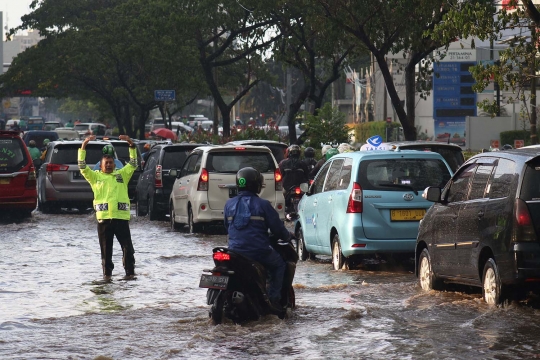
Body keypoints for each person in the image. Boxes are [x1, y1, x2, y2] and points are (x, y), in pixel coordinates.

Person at [224, 167, 293, 309]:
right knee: (279, 265)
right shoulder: (263, 205)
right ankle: (274, 301)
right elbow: (277, 228)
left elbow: (227, 227)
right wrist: (288, 236)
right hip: (258, 251)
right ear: (257, 185)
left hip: (234, 252)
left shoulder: (228, 204)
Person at [78, 134, 138, 280]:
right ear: (101, 165)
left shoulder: (122, 175)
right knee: (106, 253)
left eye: (111, 162)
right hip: (104, 221)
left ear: (114, 163)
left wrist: (130, 143)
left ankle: (130, 276)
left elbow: (134, 163)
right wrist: (84, 144)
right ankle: (107, 277)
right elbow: (82, 166)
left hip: (121, 219)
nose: (109, 164)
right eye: (107, 163)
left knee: (128, 250)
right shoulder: (95, 176)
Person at [279, 145, 309, 215]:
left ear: (289, 153)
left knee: (280, 198)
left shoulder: (282, 163)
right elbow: (307, 176)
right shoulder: (303, 163)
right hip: (301, 187)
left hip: (287, 187)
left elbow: (279, 175)